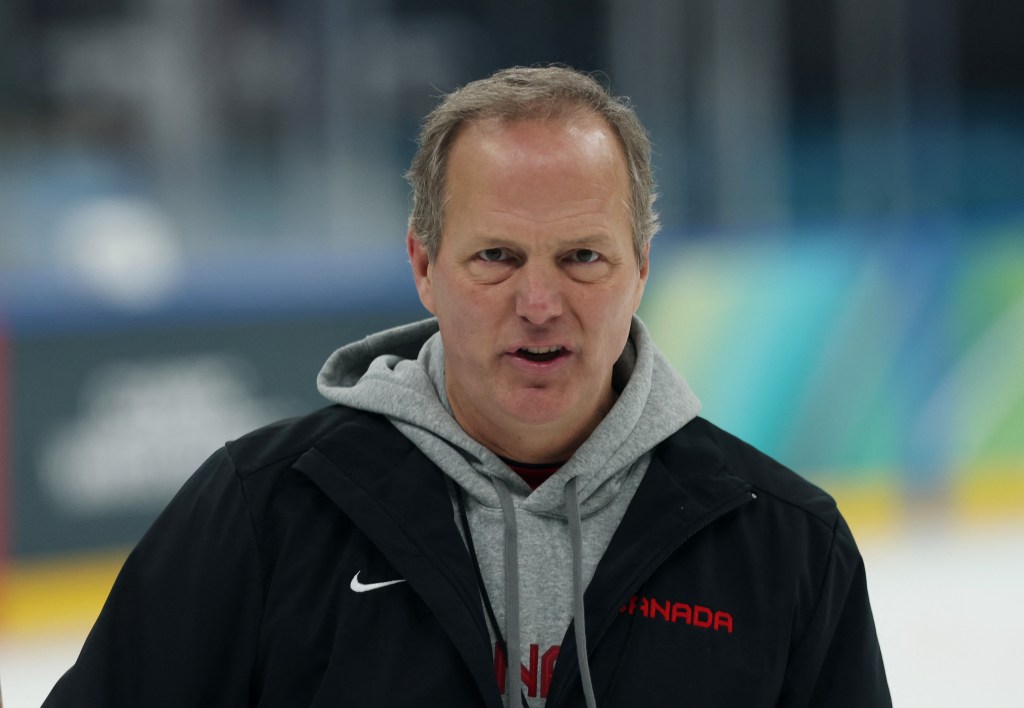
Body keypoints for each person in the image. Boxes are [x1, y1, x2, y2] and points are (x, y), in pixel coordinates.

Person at [45, 66, 891, 707]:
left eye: (582, 258)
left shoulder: (786, 545)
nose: (539, 304)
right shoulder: (264, 511)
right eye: (496, 257)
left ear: (640, 269)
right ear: (423, 265)